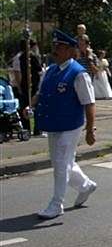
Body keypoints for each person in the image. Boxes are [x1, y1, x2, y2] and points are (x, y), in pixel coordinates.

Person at [34, 30, 97, 219]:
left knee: (61, 164)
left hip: (70, 125)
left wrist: (90, 129)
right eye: (55, 46)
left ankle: (56, 204)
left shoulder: (78, 73)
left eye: (59, 47)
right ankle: (86, 185)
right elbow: (40, 93)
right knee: (62, 162)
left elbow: (89, 102)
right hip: (53, 123)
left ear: (70, 51)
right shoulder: (51, 70)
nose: (55, 50)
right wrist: (30, 104)